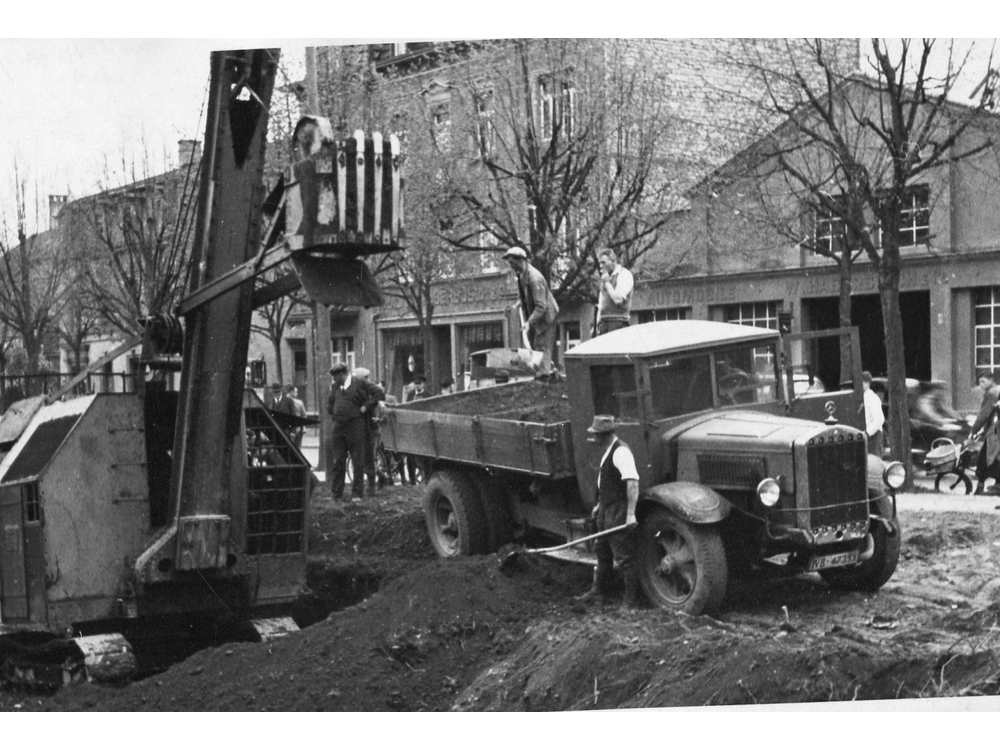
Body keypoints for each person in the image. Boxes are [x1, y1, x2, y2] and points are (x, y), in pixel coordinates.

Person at [575, 415, 642, 608]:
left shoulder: (621, 452)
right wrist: (599, 505)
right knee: (602, 550)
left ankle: (630, 602)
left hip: (617, 511)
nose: (593, 438)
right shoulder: (608, 451)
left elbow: (632, 483)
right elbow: (606, 481)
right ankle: (598, 591)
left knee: (624, 557)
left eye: (595, 435)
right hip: (606, 509)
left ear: (603, 435)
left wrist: (630, 514)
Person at [503, 246, 559, 378]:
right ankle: (544, 374)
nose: (511, 266)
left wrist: (528, 323)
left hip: (546, 316)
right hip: (538, 315)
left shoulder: (534, 278)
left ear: (521, 261)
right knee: (536, 347)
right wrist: (515, 306)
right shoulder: (521, 274)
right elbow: (524, 296)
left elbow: (541, 307)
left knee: (541, 347)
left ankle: (545, 377)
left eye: (512, 263)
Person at [326, 362, 378, 501]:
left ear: (342, 374)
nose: (333, 380)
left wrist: (365, 407)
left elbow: (378, 394)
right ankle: (336, 494)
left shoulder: (359, 382)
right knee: (338, 461)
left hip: (355, 426)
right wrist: (336, 411)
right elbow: (329, 405)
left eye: (335, 377)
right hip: (339, 427)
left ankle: (357, 494)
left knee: (357, 461)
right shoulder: (335, 386)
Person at [354, 367, 387, 493]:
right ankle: (381, 477)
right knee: (366, 458)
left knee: (370, 457)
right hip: (360, 428)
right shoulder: (355, 390)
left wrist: (365, 406)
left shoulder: (370, 389)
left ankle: (372, 487)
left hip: (371, 429)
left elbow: (380, 394)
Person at [970, 368, 1000, 495]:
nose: (981, 385)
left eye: (983, 382)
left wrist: (973, 430)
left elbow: (984, 415)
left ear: (991, 380)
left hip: (996, 432)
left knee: (984, 457)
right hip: (994, 429)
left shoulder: (992, 393)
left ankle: (985, 486)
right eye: (979, 382)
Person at [595, 247, 634, 335]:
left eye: (603, 262)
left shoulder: (624, 274)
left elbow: (618, 299)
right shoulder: (605, 278)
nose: (601, 266)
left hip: (619, 321)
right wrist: (597, 324)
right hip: (604, 323)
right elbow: (601, 305)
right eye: (600, 263)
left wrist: (608, 283)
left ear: (613, 260)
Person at [401, 373, 428, 484]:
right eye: (416, 383)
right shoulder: (410, 395)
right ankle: (412, 481)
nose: (417, 386)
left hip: (424, 429)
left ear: (424, 384)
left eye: (419, 383)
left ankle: (427, 478)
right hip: (412, 429)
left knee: (426, 455)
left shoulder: (428, 395)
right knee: (410, 456)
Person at [861, 371, 885, 457]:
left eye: (861, 382)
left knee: (874, 463)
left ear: (867, 383)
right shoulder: (864, 397)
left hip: (874, 437)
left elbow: (879, 419)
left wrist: (868, 433)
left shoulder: (872, 397)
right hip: (867, 437)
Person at [277, 384, 307, 450]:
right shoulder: (299, 403)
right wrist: (303, 427)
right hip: (298, 429)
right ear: (291, 392)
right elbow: (303, 415)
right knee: (298, 448)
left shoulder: (282, 401)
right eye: (296, 392)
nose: (297, 393)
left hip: (288, 429)